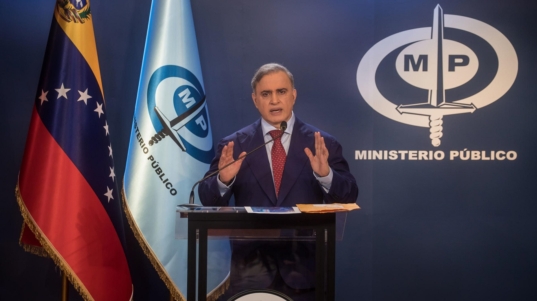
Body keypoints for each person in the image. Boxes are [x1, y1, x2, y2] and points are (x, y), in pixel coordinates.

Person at [199, 63, 358, 300]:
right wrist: (223, 179)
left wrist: (326, 175)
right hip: (250, 273)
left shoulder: (322, 143)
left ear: (293, 96)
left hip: (304, 273)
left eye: (281, 92)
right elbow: (206, 198)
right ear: (255, 100)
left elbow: (349, 195)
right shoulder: (235, 145)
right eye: (266, 94)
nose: (274, 100)